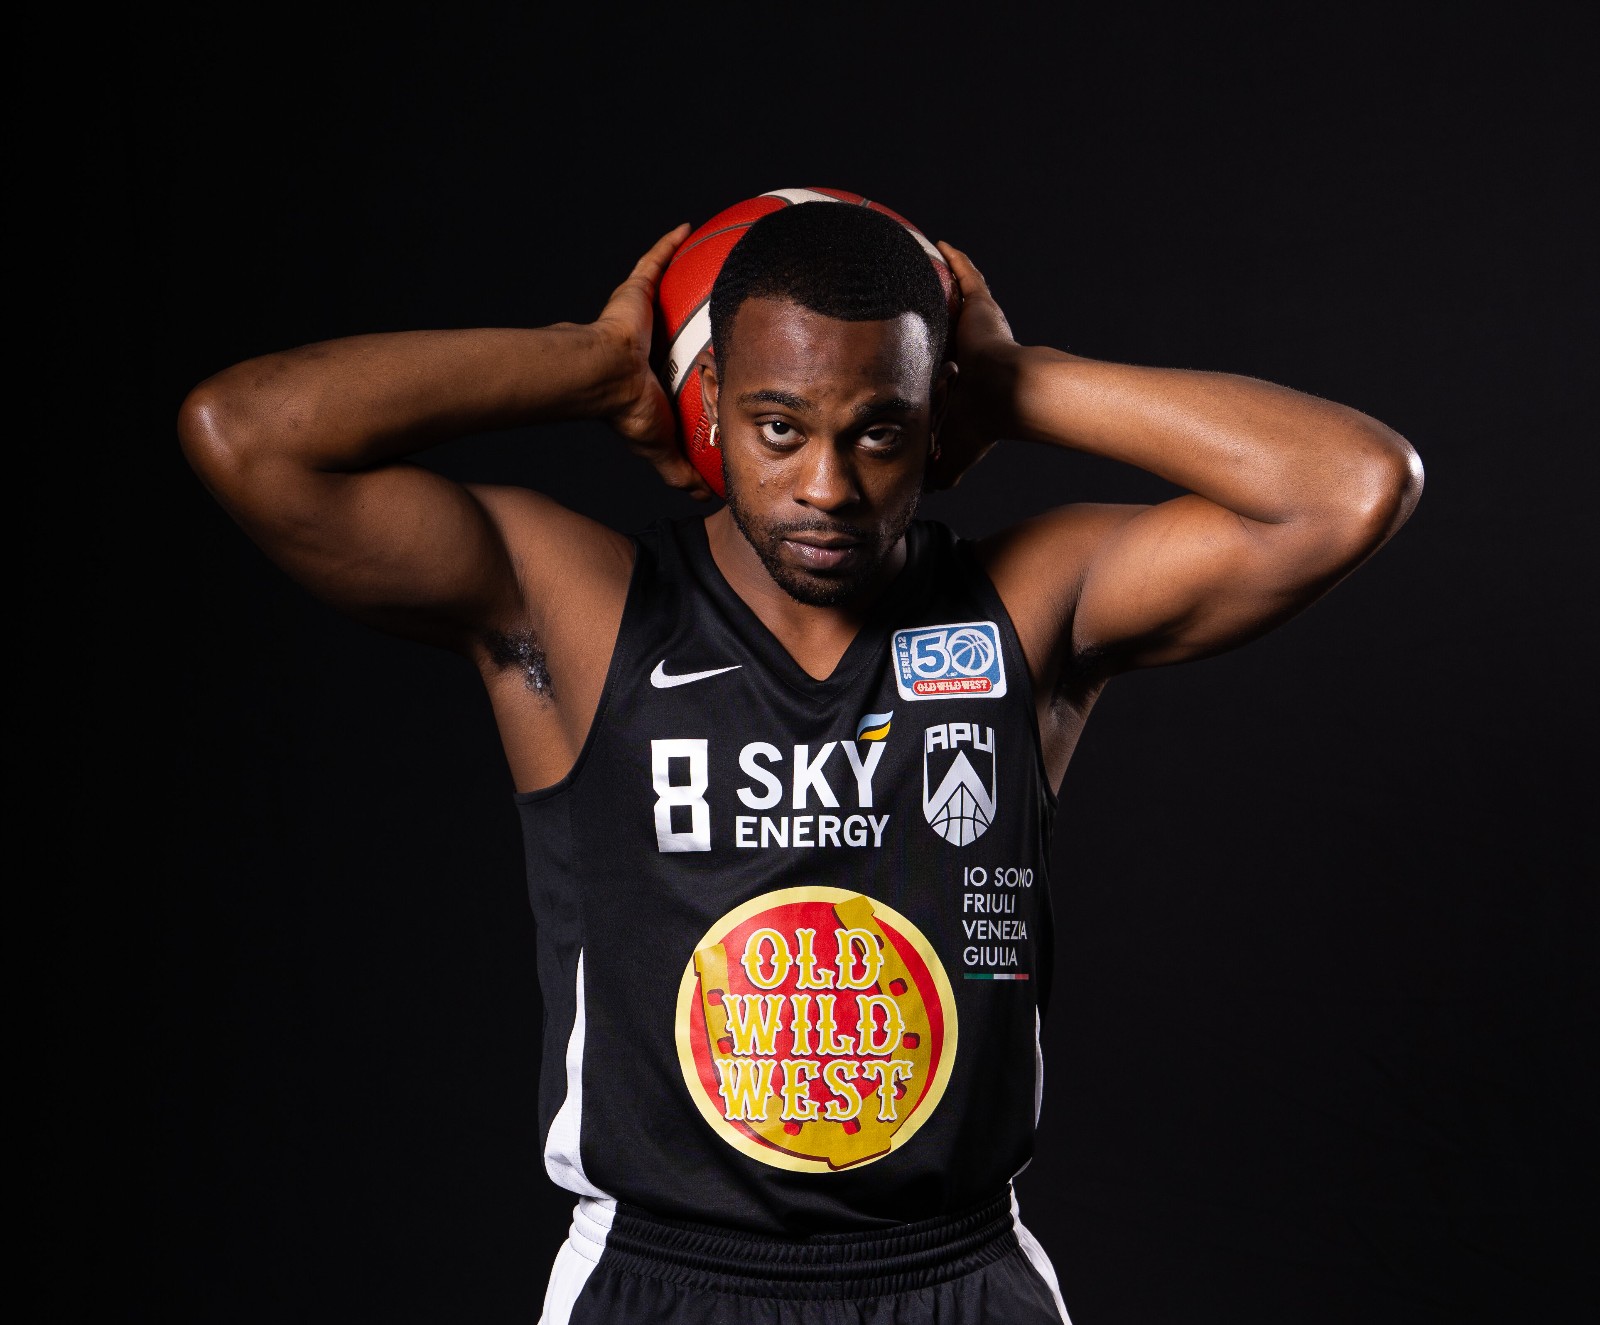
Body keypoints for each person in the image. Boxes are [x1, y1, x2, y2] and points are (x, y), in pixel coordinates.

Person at [178, 199, 1422, 1324]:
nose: (827, 485)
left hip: (955, 1273)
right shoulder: (585, 606)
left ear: (933, 424)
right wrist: (590, 365)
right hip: (660, 1277)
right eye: (778, 426)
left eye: (878, 431)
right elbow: (247, 433)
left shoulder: (1026, 608)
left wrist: (1013, 380)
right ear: (710, 403)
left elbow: (1350, 486)